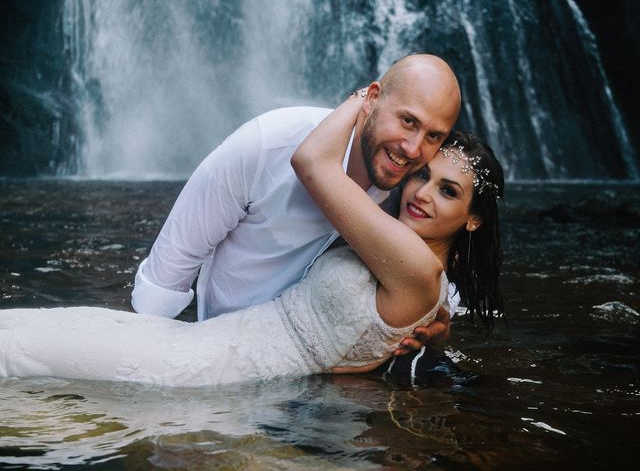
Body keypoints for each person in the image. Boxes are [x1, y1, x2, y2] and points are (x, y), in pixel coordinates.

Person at [0, 96, 504, 387]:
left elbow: (311, 164)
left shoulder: (415, 269)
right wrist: (440, 337)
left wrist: (363, 101)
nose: (421, 191)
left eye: (448, 191)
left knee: (17, 350)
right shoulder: (389, 223)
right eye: (423, 176)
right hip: (206, 346)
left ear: (474, 219)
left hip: (223, 378)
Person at [130, 54, 461, 350]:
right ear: (372, 98)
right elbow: (164, 281)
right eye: (408, 121)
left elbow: (424, 281)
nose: (414, 148)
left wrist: (437, 333)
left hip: (324, 376)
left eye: (433, 136)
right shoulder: (266, 146)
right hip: (220, 349)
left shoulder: (408, 192)